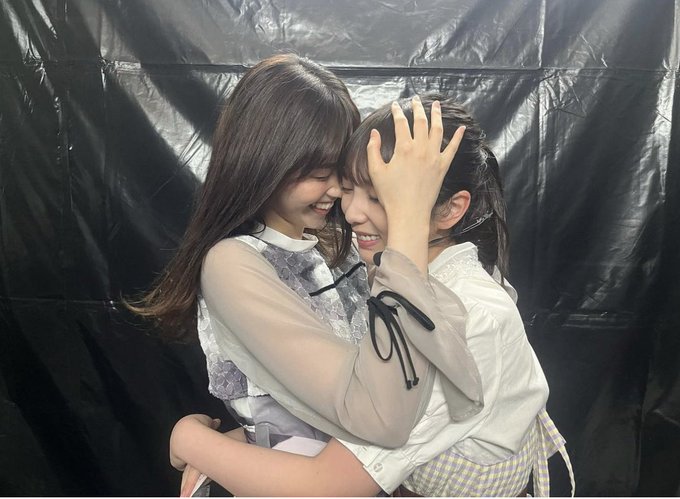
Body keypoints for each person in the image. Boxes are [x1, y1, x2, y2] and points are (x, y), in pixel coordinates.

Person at [170, 95, 575, 496]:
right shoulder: (383, 271)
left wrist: (191, 439)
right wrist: (244, 435)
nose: (350, 212)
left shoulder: (465, 315)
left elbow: (331, 481)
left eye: (380, 196)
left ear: (451, 210)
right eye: (348, 187)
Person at [132, 54, 482, 493]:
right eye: (318, 173)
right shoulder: (234, 263)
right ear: (264, 161)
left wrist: (202, 441)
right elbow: (378, 416)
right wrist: (409, 213)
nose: (336, 190)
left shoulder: (341, 244)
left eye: (340, 170)